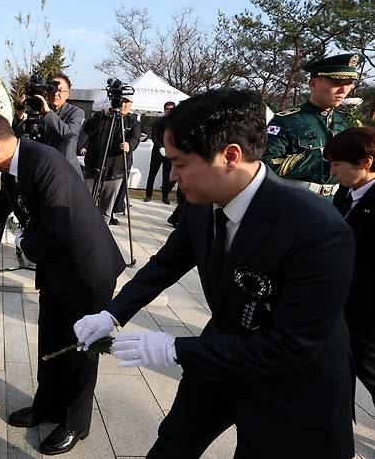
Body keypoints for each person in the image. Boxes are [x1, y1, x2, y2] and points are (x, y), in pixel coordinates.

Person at [74, 88, 356, 458]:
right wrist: (112, 313)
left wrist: (173, 348)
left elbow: (291, 346)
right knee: (173, 443)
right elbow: (167, 263)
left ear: (230, 156)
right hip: (218, 357)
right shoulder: (200, 204)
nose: (172, 177)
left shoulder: (317, 228)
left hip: (291, 383)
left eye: (180, 163)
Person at [0, 111, 125, 455]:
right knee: (50, 338)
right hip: (57, 267)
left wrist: (23, 244)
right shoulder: (13, 166)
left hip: (86, 269)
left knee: (81, 349)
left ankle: (74, 423)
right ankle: (47, 406)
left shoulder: (45, 164)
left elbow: (57, 228)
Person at [262, 53, 364, 197]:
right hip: (297, 200)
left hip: (339, 202)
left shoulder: (348, 124)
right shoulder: (286, 121)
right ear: (313, 84)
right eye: (336, 82)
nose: (343, 89)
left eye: (349, 82)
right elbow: (267, 164)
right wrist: (319, 156)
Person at [325, 126, 375, 406]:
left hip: (367, 311)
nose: (332, 171)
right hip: (344, 300)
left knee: (367, 366)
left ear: (366, 162)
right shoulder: (347, 192)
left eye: (337, 164)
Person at [83, 95, 140, 224]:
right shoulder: (101, 116)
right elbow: (88, 129)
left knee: (106, 209)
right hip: (94, 168)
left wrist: (129, 145)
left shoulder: (132, 121)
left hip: (115, 171)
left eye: (126, 102)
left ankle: (101, 234)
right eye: (121, 101)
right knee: (85, 203)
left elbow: (135, 137)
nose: (123, 105)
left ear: (131, 104)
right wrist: (104, 115)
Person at [29, 72, 85, 178]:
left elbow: (68, 133)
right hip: (44, 171)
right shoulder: (38, 110)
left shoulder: (76, 112)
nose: (55, 94)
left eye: (60, 90)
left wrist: (47, 113)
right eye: (52, 89)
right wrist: (20, 113)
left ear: (67, 94)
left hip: (66, 172)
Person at [144, 101, 176, 203]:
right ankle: (148, 195)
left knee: (166, 175)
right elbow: (153, 135)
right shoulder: (159, 121)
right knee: (152, 173)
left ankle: (165, 196)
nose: (169, 111)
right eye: (167, 109)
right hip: (157, 152)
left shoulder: (176, 123)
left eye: (171, 109)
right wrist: (160, 147)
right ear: (164, 109)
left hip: (169, 152)